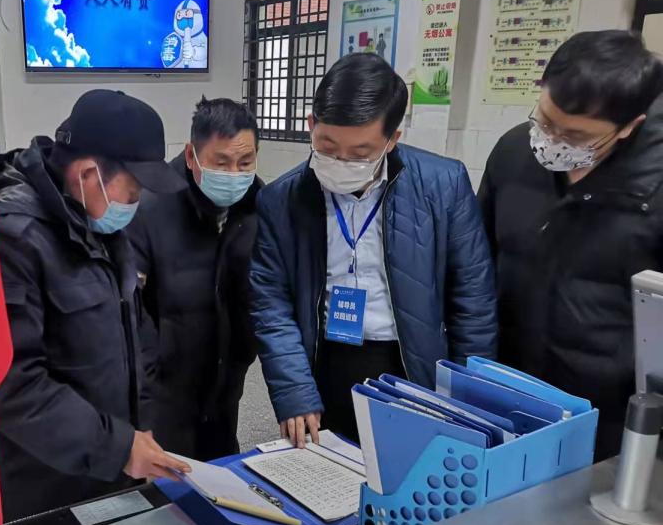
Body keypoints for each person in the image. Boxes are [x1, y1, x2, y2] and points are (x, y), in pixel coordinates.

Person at [251, 53, 497, 448]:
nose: (340, 161)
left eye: (360, 153)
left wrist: (469, 399)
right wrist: (294, 391)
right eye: (327, 146)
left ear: (392, 139)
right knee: (330, 469)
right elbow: (271, 304)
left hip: (411, 362)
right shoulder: (282, 199)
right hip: (327, 359)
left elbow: (473, 299)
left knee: (413, 467)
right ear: (311, 125)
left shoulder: (443, 184)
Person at [0, 89, 190, 521]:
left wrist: (140, 425)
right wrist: (117, 446)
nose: (135, 204)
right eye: (133, 191)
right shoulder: (13, 237)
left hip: (107, 468)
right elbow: (12, 384)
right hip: (43, 484)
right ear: (86, 173)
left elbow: (135, 333)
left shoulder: (96, 221)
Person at [479, 30, 663, 460]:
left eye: (576, 136)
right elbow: (478, 260)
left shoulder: (655, 187)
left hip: (611, 417)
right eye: (546, 120)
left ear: (629, 127)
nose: (553, 140)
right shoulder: (513, 152)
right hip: (509, 390)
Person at [128, 97, 262, 460]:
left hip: (225, 385)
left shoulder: (258, 206)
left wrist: (242, 355)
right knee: (167, 481)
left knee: (221, 472)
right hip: (165, 393)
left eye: (245, 163)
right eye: (221, 162)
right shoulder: (149, 208)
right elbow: (131, 313)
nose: (234, 174)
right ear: (191, 155)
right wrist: (144, 399)